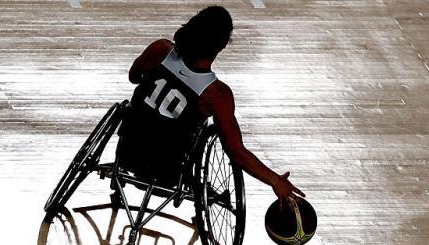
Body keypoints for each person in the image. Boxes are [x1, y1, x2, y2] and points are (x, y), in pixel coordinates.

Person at [116, 5, 304, 204]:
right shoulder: (216, 93)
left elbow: (133, 76)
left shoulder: (160, 49)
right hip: (167, 171)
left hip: (128, 153)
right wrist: (275, 181)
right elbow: (237, 152)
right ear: (222, 45)